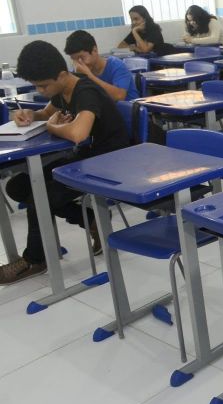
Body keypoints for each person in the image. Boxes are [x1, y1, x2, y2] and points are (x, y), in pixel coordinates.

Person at [0, 41, 129, 284]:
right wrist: (30, 115)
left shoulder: (85, 90)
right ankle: (90, 220)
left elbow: (78, 133)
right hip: (87, 157)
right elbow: (46, 113)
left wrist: (52, 127)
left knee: (42, 197)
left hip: (111, 161)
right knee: (18, 187)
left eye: (43, 85)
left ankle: (35, 260)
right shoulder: (61, 90)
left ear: (62, 75)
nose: (42, 90)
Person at [65, 30, 139, 101]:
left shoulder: (116, 65)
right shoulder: (77, 71)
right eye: (73, 59)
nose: (78, 64)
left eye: (81, 57)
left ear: (94, 50)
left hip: (127, 112)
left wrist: (90, 76)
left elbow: (119, 96)